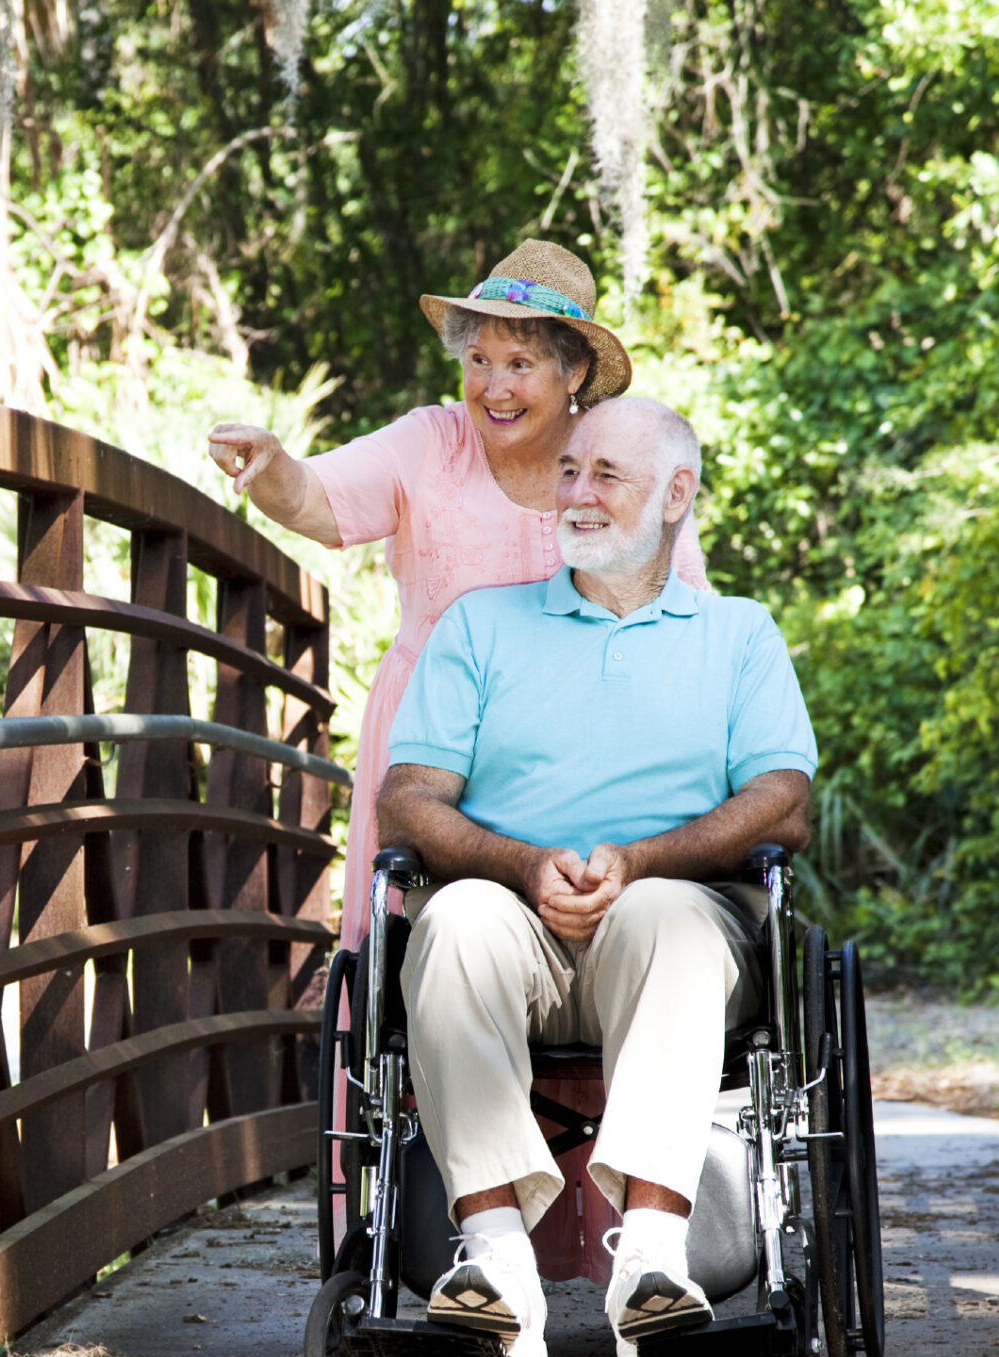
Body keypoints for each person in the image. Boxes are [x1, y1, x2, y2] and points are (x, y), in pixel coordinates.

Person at [375, 396, 816, 1357]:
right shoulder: (480, 626)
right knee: (449, 919)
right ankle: (494, 1266)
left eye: (604, 474)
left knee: (660, 912)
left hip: (677, 918)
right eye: (567, 470)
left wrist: (641, 860)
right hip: (512, 917)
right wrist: (523, 865)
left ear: (676, 494)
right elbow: (407, 803)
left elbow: (784, 803)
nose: (574, 491)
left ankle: (651, 1262)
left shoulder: (737, 634)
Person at [205, 238, 709, 949]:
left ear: (576, 372)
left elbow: (685, 616)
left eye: (520, 365)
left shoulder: (621, 457)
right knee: (427, 961)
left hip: (587, 752)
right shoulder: (431, 441)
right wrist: (272, 465)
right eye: (479, 361)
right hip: (432, 751)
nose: (493, 388)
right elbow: (318, 500)